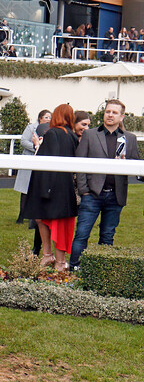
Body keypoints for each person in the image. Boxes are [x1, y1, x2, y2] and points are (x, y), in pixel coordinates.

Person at [70, 100, 139, 269]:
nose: (110, 115)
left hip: (116, 196)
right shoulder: (90, 135)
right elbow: (80, 163)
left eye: (114, 112)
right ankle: (75, 269)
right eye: (108, 111)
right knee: (81, 235)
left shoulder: (129, 138)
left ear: (121, 116)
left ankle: (101, 272)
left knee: (108, 236)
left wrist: (126, 162)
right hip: (92, 194)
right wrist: (84, 190)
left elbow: (137, 164)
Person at [22, 104, 79, 272]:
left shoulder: (53, 133)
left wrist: (37, 145)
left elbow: (47, 159)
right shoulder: (72, 136)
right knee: (43, 218)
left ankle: (58, 261)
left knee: (51, 221)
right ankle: (49, 256)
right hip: (63, 185)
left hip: (49, 185)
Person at [14, 109, 52, 224]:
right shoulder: (31, 128)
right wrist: (36, 147)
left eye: (50, 117)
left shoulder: (50, 130)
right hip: (29, 160)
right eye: (46, 117)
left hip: (42, 162)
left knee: (36, 189)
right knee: (25, 190)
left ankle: (33, 217)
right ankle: (21, 215)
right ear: (40, 118)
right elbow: (23, 141)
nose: (48, 119)